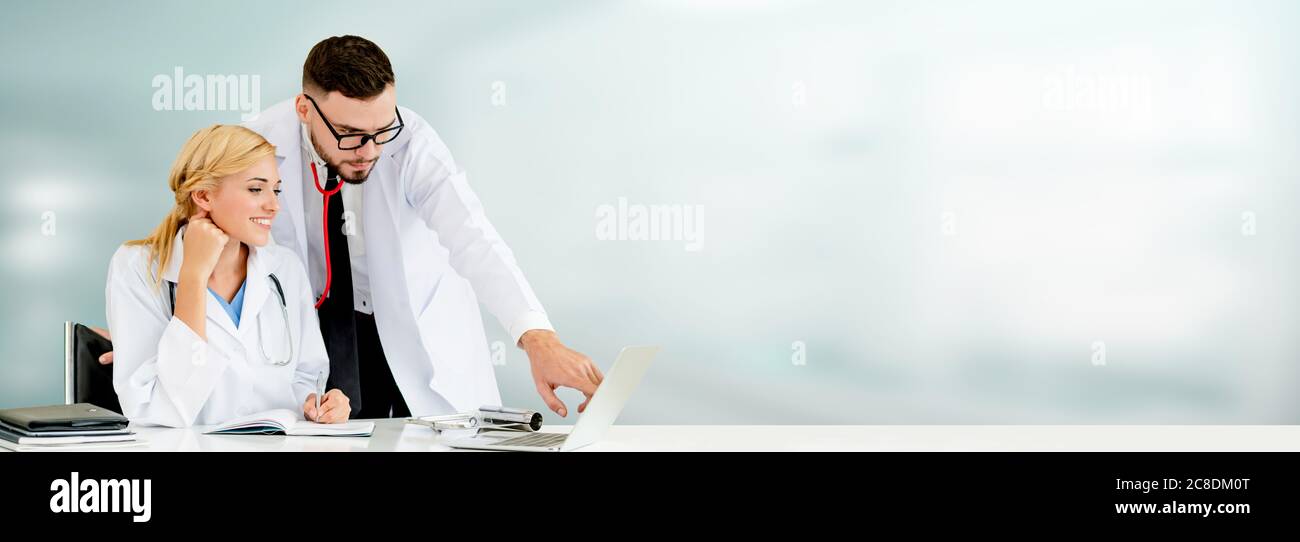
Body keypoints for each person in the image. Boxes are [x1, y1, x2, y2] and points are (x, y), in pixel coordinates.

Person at [105, 125, 350, 427]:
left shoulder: (285, 269)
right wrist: (193, 276)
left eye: (276, 189)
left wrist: (320, 405)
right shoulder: (137, 268)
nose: (273, 205)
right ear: (204, 195)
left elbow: (305, 377)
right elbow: (151, 407)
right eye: (255, 189)